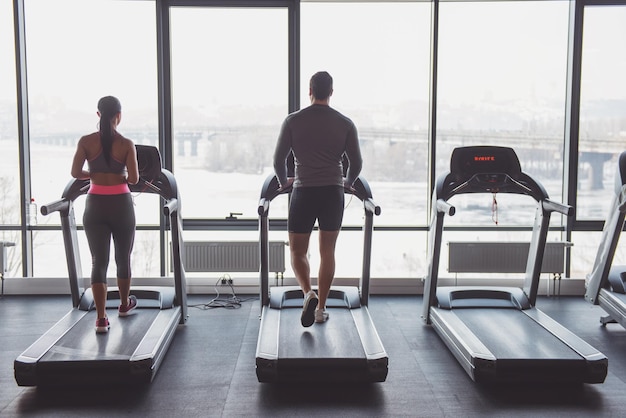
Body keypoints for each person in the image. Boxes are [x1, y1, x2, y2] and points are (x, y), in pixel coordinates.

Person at [273, 71, 363, 327]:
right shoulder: (345, 123)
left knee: (298, 252)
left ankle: (307, 293)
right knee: (327, 252)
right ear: (331, 92)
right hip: (333, 193)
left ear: (309, 90)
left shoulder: (293, 121)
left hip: (303, 192)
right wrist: (348, 182)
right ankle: (321, 309)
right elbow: (356, 163)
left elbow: (278, 160)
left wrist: (282, 183)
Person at [71, 96, 140, 333]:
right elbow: (133, 179)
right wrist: (118, 177)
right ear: (118, 116)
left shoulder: (86, 142)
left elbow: (75, 171)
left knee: (98, 261)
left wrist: (95, 175)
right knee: (123, 257)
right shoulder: (126, 144)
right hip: (121, 204)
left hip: (95, 204)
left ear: (98, 115)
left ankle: (101, 318)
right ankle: (123, 305)